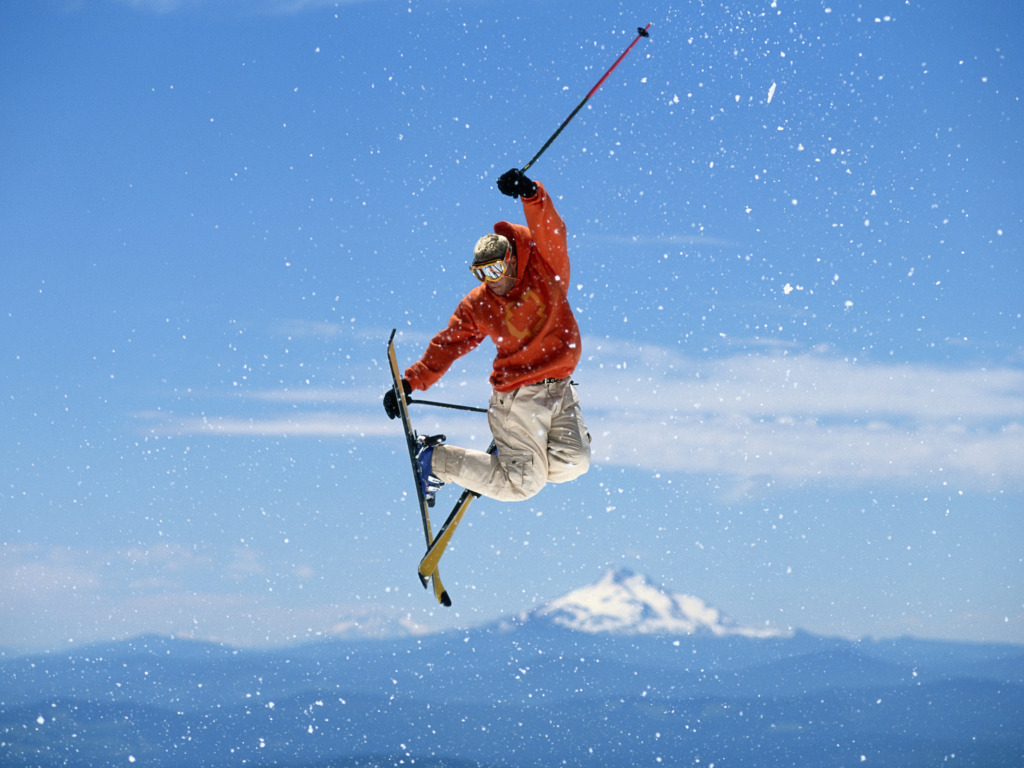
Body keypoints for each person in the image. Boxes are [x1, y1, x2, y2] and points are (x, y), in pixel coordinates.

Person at [384, 167, 591, 504]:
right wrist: (410, 383)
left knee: (575, 461)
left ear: (511, 261)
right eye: (481, 273)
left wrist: (529, 193)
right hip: (517, 397)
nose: (491, 281)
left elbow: (552, 230)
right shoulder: (480, 303)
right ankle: (435, 461)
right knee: (523, 485)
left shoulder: (546, 269)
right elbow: (449, 344)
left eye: (494, 270)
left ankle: (512, 460)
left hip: (560, 387)